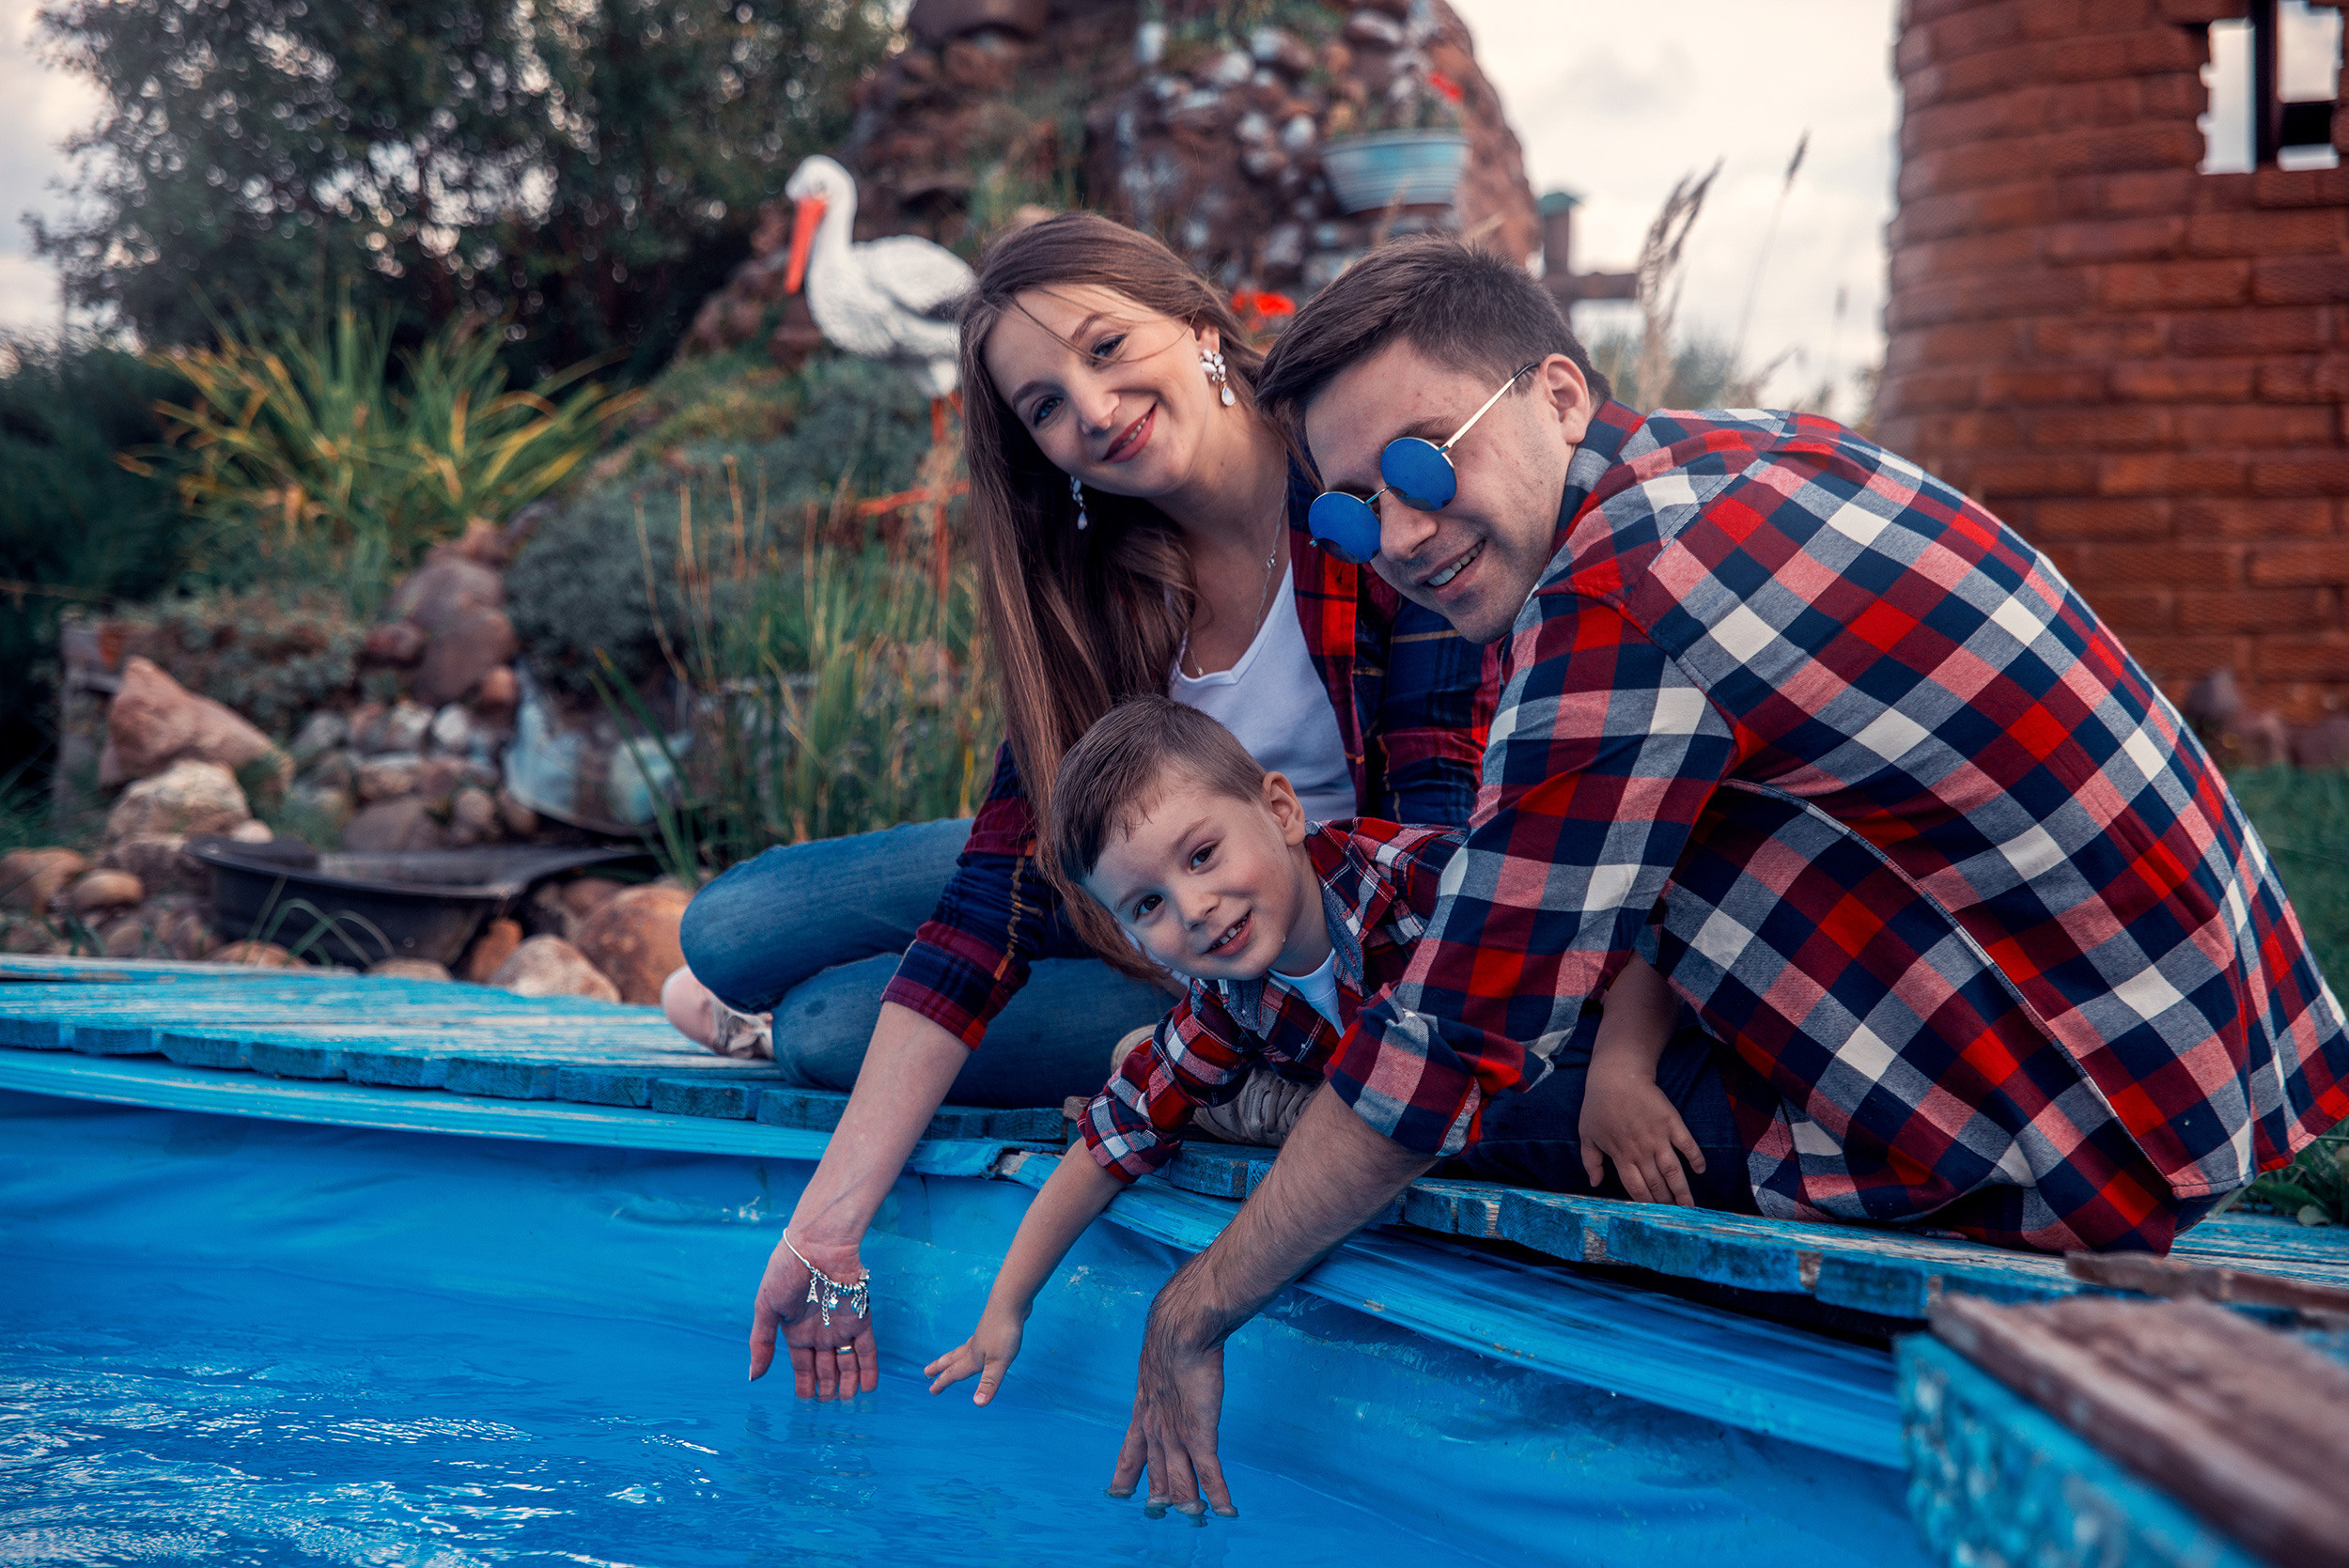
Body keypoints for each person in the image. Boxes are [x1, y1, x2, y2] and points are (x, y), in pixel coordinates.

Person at [1104, 235, 2349, 1517]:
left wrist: (1196, 1307)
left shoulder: (1616, 595)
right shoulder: (1708, 465)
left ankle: (1259, 1092)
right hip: (2192, 1052)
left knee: (1422, 1098)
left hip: (2085, 1139)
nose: (1402, 537)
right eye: (1353, 507)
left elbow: (1453, 1041)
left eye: (1426, 460)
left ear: (1559, 394)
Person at [699, 213, 1500, 1400]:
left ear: (1193, 319)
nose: (1092, 405)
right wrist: (823, 1228)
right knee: (724, 926)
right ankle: (719, 998)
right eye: (1044, 405)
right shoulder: (1100, 585)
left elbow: (1448, 835)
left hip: (1252, 950)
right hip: (1133, 887)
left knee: (823, 1031)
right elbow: (994, 901)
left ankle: (749, 1025)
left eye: (1107, 345)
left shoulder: (1353, 490)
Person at [924, 696, 1695, 1407]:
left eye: (1201, 855)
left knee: (1532, 1107)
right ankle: (1261, 1101)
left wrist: (1621, 1070)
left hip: (1600, 1058)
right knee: (1162, 1073)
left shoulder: (1420, 876)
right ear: (1129, 938)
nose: (1194, 908)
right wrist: (1005, 1308)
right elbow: (1111, 1137)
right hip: (1418, 1116)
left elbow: (1628, 930)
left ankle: (1261, 1106)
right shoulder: (1228, 998)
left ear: (1282, 810)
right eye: (1147, 905)